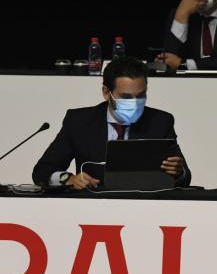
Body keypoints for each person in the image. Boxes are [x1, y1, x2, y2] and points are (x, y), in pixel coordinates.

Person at [32, 57, 191, 189]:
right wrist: (68, 179)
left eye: (141, 95)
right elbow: (42, 171)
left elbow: (185, 176)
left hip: (145, 208)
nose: (135, 103)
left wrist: (178, 172)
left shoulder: (160, 121)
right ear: (106, 92)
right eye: (126, 97)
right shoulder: (79, 121)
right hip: (93, 208)